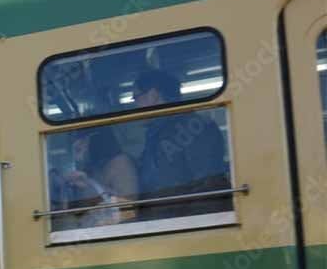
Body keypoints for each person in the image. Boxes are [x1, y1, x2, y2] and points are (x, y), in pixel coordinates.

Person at [132, 68, 230, 219]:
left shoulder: (193, 127)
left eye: (136, 98)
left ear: (153, 95)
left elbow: (207, 186)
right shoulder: (156, 134)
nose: (135, 105)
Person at [60, 127, 138, 228]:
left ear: (98, 140)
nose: (76, 145)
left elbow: (128, 211)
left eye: (82, 140)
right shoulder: (91, 168)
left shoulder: (120, 163)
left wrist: (93, 187)